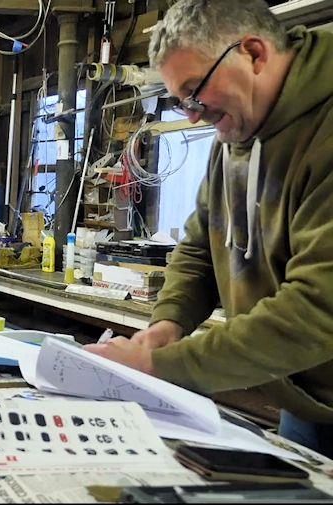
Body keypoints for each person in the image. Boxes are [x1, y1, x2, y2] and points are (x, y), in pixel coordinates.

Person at [85, 0, 333, 458]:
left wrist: (157, 365)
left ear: (254, 54)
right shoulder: (238, 129)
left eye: (197, 92)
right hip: (304, 399)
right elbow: (202, 244)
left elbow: (319, 308)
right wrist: (168, 323)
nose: (193, 114)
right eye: (182, 100)